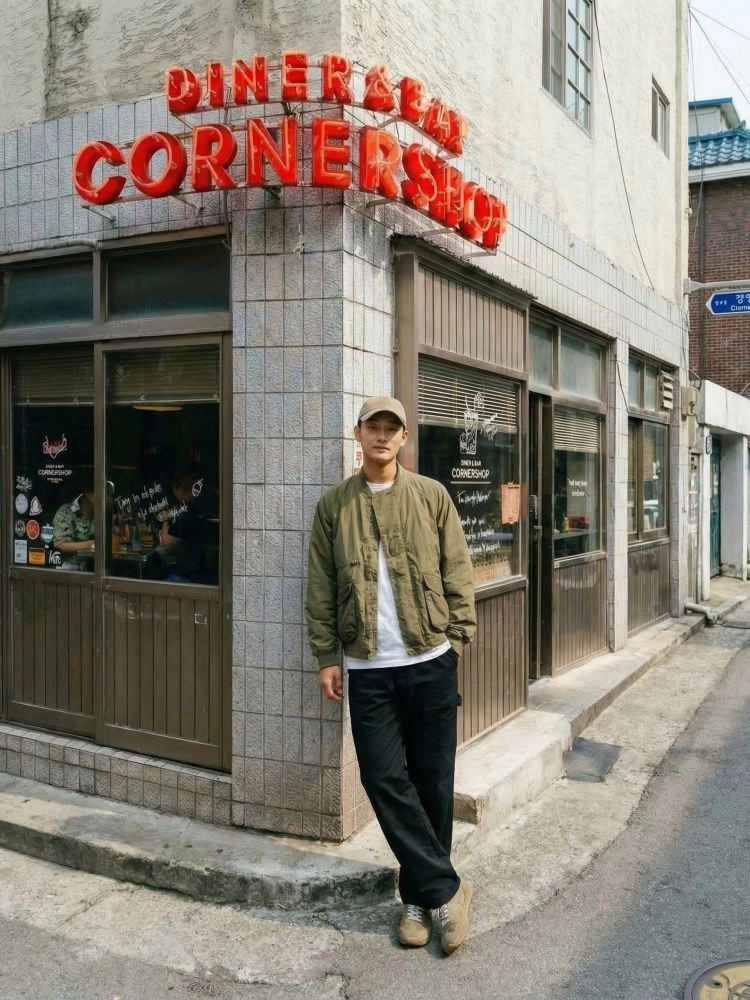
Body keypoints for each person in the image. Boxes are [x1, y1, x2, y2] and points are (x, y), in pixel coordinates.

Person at [305, 396, 477, 955]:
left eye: (391, 428)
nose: (382, 436)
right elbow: (320, 585)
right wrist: (326, 655)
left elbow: (458, 568)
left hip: (430, 660)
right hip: (368, 667)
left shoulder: (431, 496)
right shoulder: (334, 505)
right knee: (382, 777)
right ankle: (448, 890)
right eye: (373, 426)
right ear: (357, 434)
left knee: (433, 781)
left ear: (404, 438)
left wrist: (457, 639)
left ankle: (418, 901)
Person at [158, 472, 218, 583]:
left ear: (180, 490)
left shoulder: (184, 511)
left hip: (184, 572)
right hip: (203, 570)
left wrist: (165, 520)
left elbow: (169, 544)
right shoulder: (206, 506)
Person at [52, 486, 95, 570]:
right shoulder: (66, 511)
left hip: (94, 566)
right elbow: (59, 545)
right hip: (69, 566)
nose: (106, 497)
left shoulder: (101, 512)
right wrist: (92, 544)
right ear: (89, 494)